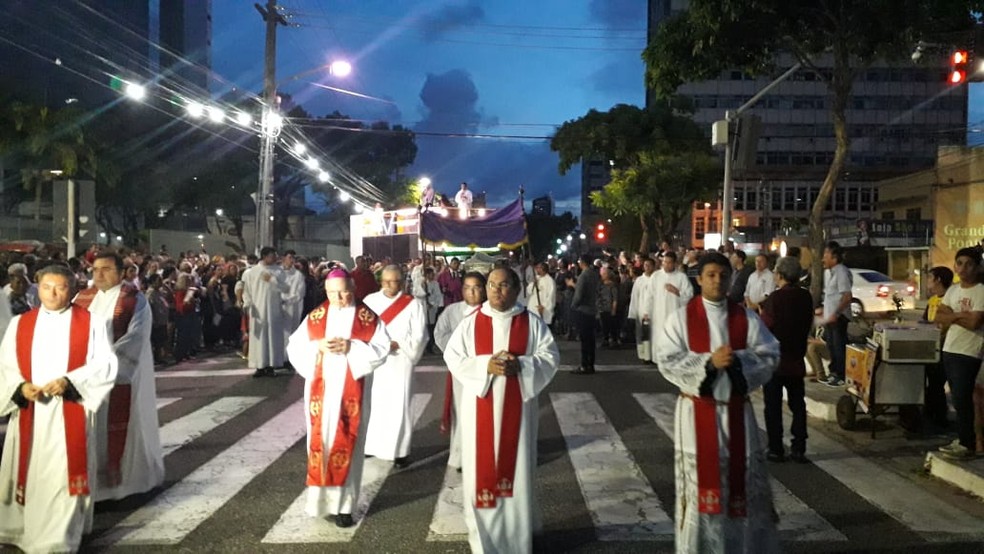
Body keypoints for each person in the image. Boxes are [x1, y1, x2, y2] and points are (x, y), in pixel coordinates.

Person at [656, 252, 781, 553]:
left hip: (737, 414)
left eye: (723, 275)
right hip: (697, 414)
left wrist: (736, 360)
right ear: (699, 279)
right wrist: (709, 364)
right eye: (710, 275)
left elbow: (770, 354)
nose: (717, 280)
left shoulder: (745, 317)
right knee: (701, 490)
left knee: (742, 492)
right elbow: (667, 359)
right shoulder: (681, 319)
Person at [0, 265, 118, 552]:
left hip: (69, 411)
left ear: (71, 289)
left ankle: (57, 537)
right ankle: (20, 529)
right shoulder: (20, 324)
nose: (52, 294)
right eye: (46, 287)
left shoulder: (91, 323)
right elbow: (5, 365)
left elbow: (105, 364)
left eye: (60, 287)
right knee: (29, 470)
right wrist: (19, 387)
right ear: (37, 288)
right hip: (31, 411)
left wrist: (70, 382)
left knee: (61, 475)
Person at [443, 268, 560, 554]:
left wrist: (521, 366)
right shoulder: (472, 323)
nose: (496, 290)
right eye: (492, 285)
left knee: (517, 474)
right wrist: (485, 365)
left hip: (517, 416)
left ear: (517, 288)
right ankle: (484, 542)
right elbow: (453, 356)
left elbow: (550, 357)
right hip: (478, 413)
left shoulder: (531, 322)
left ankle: (518, 541)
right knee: (480, 475)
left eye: (504, 285)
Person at [284, 268, 390, 528]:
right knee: (321, 445)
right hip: (322, 392)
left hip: (353, 391)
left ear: (352, 289)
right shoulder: (317, 316)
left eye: (343, 292)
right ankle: (319, 502)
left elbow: (382, 347)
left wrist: (352, 347)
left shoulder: (366, 318)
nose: (339, 297)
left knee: (349, 446)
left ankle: (345, 507)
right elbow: (295, 347)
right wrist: (317, 346)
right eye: (333, 293)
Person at [72, 251, 165, 502]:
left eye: (106, 269)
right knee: (90, 433)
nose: (99, 274)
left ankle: (127, 484)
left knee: (123, 428)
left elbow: (134, 339)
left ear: (122, 273)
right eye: (95, 270)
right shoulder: (82, 298)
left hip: (118, 378)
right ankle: (94, 486)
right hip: (85, 381)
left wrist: (101, 365)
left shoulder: (134, 301)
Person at [363, 265, 428, 467]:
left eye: (396, 281)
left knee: (400, 405)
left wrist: (400, 344)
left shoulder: (413, 304)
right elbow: (362, 330)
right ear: (381, 281)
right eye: (388, 281)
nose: (392, 285)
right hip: (376, 360)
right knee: (375, 403)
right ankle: (372, 446)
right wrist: (379, 345)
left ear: (402, 282)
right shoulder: (369, 301)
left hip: (401, 359)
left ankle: (400, 450)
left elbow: (420, 334)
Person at [759, 257, 814, 463]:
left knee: (773, 406)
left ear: (780, 275)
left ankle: (776, 449)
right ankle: (799, 448)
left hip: (775, 361)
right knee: (798, 405)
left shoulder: (775, 299)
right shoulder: (805, 297)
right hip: (796, 359)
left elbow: (764, 327)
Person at [934, 247, 984, 460]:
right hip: (949, 349)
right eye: (960, 263)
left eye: (969, 264)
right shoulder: (953, 290)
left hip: (969, 351)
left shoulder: (980, 291)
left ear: (977, 267)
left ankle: (968, 443)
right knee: (956, 398)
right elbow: (939, 316)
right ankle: (963, 439)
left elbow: (974, 322)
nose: (963, 268)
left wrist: (952, 316)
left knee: (963, 399)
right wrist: (959, 316)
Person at [434, 271, 487, 470]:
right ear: (462, 290)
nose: (472, 292)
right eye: (467, 288)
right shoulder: (452, 311)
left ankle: (483, 455)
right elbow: (440, 333)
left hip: (484, 370)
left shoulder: (492, 312)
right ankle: (462, 456)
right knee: (463, 412)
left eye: (477, 287)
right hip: (462, 370)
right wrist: (459, 353)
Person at [242, 247, 289, 377]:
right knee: (260, 339)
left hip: (274, 310)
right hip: (258, 310)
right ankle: (259, 366)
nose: (275, 258)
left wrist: (273, 281)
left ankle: (271, 365)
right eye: (272, 255)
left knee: (272, 338)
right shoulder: (252, 272)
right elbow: (247, 290)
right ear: (264, 256)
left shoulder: (279, 271)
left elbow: (286, 289)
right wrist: (248, 304)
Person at [921, 266, 954, 428]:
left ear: (938, 280)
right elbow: (925, 322)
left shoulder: (951, 299)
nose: (927, 282)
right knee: (931, 382)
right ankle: (931, 413)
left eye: (929, 278)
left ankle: (939, 418)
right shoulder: (932, 300)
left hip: (946, 348)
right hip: (929, 347)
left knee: (937, 383)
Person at [647, 251, 694, 364]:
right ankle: (659, 359)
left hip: (674, 313)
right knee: (659, 335)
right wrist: (647, 312)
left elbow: (689, 295)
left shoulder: (681, 277)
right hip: (658, 314)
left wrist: (677, 291)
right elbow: (649, 296)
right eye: (664, 262)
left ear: (674, 263)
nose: (666, 265)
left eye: (669, 263)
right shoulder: (656, 276)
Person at [817, 241, 853, 387]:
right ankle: (834, 373)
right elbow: (830, 296)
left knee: (839, 346)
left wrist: (836, 313)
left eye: (826, 255)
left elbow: (846, 297)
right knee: (831, 345)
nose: (823, 258)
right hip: (829, 316)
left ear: (835, 257)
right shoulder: (828, 273)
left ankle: (841, 375)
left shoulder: (841, 272)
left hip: (839, 317)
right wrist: (823, 310)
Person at [570, 254, 600, 374]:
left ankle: (584, 364)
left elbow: (579, 295)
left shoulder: (583, 276)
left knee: (584, 339)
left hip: (583, 310)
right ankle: (590, 364)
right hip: (593, 309)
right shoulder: (594, 275)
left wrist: (573, 305)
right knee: (591, 339)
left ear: (582, 262)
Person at [281, 250, 307, 370]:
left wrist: (285, 300)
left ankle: (287, 359)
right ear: (284, 258)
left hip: (292, 308)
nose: (291, 260)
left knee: (290, 334)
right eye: (289, 257)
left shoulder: (298, 275)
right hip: (277, 309)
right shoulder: (277, 273)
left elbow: (299, 293)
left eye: (293, 258)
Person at [628, 258, 656, 363]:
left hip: (655, 311)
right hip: (641, 311)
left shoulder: (657, 279)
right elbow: (635, 297)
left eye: (649, 265)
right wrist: (633, 313)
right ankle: (644, 355)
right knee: (643, 334)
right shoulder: (639, 280)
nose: (647, 267)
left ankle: (653, 355)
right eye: (645, 265)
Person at [414, 266, 442, 355]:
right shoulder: (419, 282)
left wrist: (432, 304)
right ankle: (422, 348)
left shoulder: (435, 284)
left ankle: (430, 346)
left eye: (432, 274)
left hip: (431, 308)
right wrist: (424, 291)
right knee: (422, 328)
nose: (431, 276)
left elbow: (438, 295)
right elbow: (416, 293)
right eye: (429, 274)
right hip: (422, 307)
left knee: (431, 328)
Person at [525, 262, 556, 327]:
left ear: (543, 269)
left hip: (542, 308)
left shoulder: (550, 281)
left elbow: (551, 296)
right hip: (533, 307)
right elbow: (529, 291)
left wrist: (544, 307)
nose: (536, 269)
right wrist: (534, 284)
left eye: (538, 268)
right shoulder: (536, 278)